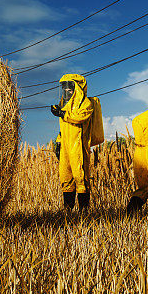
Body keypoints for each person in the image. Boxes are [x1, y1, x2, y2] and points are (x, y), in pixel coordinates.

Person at [50, 74, 103, 211]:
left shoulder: (85, 103)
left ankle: (83, 210)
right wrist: (58, 143)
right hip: (66, 147)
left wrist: (62, 114)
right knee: (65, 175)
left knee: (80, 176)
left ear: (76, 88)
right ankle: (67, 209)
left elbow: (80, 117)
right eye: (64, 89)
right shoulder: (64, 105)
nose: (66, 91)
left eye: (69, 88)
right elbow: (63, 129)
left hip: (78, 146)